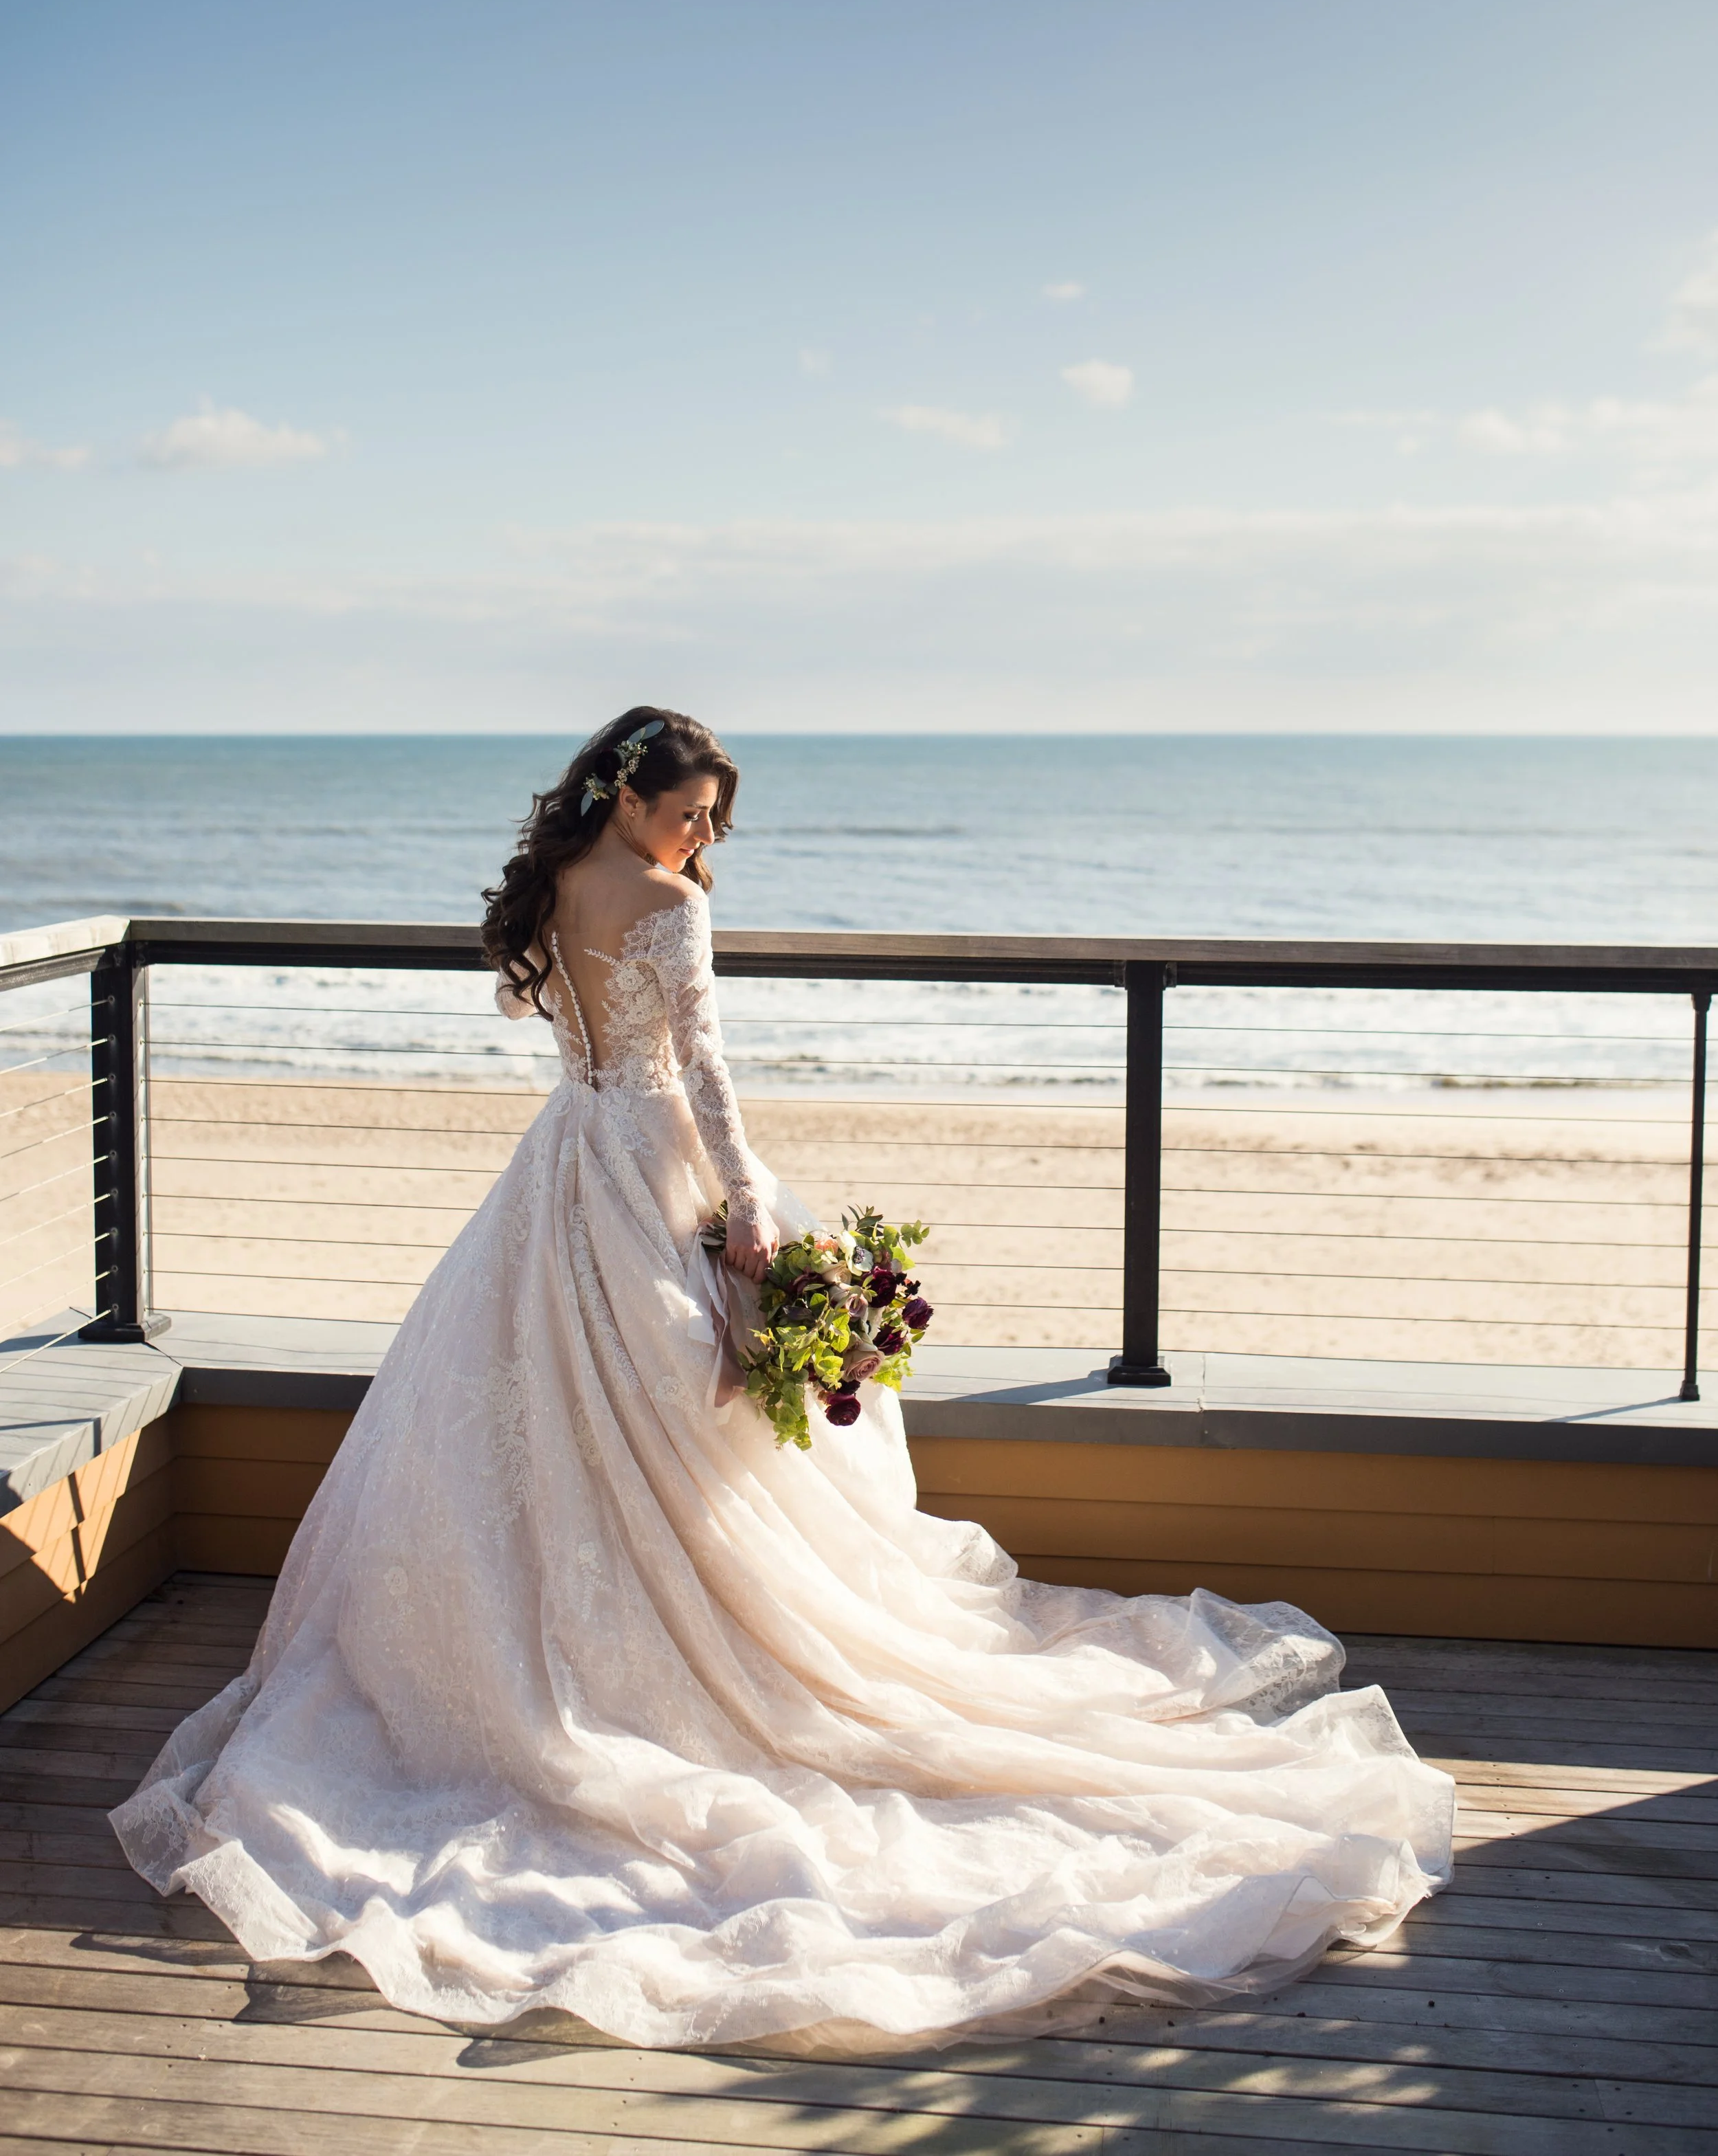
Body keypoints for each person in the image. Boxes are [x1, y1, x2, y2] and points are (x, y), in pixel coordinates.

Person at [112, 706, 1453, 2050]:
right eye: (687, 813)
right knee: (695, 1427)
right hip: (650, 1165)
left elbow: (543, 1009)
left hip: (562, 1164)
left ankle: (583, 1641)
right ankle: (664, 1656)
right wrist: (750, 1208)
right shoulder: (668, 905)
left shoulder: (556, 882)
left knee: (557, 1424)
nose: (700, 840)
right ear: (629, 796)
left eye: (711, 823)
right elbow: (700, 1068)